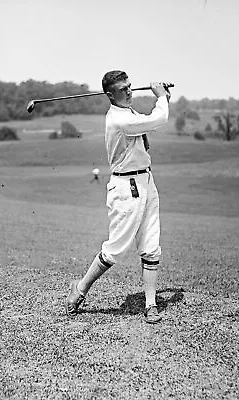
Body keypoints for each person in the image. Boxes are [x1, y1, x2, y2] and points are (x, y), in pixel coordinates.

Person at [67, 70, 170, 323]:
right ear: (110, 95)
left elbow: (148, 119)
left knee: (151, 243)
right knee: (115, 249)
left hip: (146, 180)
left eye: (130, 86)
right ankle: (79, 290)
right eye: (123, 89)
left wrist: (164, 96)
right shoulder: (118, 120)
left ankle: (150, 304)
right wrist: (161, 98)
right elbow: (159, 119)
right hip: (126, 188)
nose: (129, 91)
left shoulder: (128, 113)